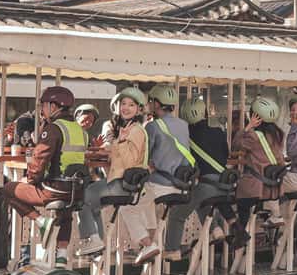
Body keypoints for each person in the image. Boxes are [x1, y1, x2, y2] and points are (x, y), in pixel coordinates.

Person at [0, 86, 87, 266]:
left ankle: (41, 222)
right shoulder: (80, 130)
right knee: (66, 212)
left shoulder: (53, 129)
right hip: (76, 190)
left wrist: (30, 180)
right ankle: (62, 256)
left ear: (53, 106)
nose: (42, 110)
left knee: (8, 190)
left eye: (44, 106)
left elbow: (38, 160)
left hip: (53, 190)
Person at [76, 87, 159, 263]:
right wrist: (115, 145)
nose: (126, 108)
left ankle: (93, 240)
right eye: (123, 104)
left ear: (139, 109)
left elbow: (129, 160)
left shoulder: (135, 130)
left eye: (131, 105)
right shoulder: (128, 127)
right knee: (93, 204)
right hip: (124, 184)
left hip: (121, 183)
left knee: (81, 197)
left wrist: (117, 143)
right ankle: (97, 245)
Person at [141, 85, 196, 261]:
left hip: (159, 185)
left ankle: (148, 244)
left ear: (157, 103)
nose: (149, 104)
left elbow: (144, 156)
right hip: (180, 186)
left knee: (133, 203)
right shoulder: (184, 125)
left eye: (151, 101)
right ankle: (160, 245)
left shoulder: (153, 126)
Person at [233, 97, 286, 244]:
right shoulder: (278, 135)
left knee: (240, 204)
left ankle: (240, 235)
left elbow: (235, 145)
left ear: (255, 116)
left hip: (256, 189)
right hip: (274, 190)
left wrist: (248, 127)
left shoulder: (253, 136)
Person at [182, 97, 231, 242]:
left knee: (198, 197)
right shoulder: (218, 132)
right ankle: (230, 226)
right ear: (205, 113)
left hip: (203, 183)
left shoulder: (185, 136)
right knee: (211, 199)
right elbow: (225, 155)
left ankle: (214, 228)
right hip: (224, 183)